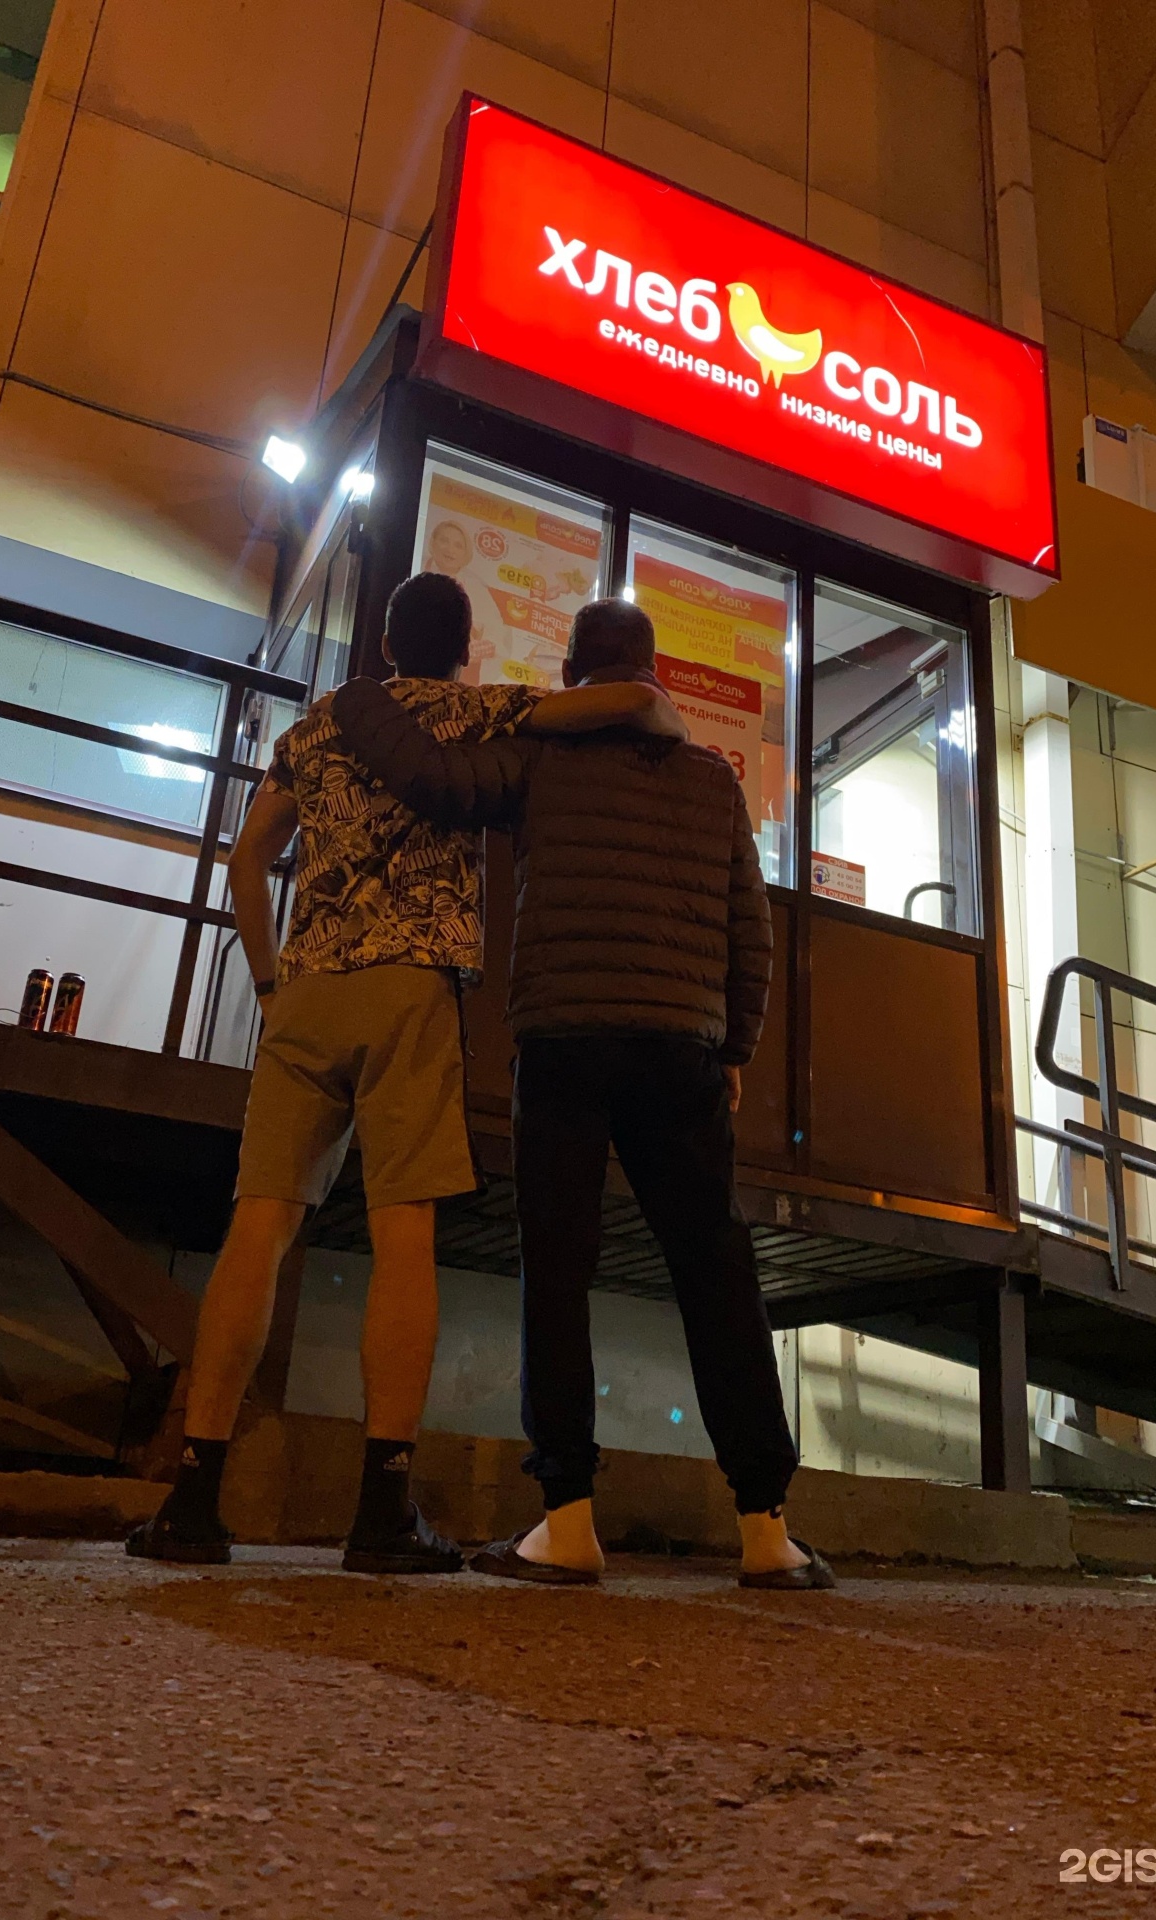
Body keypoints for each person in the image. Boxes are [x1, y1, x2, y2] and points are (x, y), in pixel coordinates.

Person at [126, 572, 685, 1572]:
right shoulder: (472, 711)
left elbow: (249, 859)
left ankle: (193, 1500)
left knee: (259, 1226)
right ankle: (381, 1510)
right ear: (463, 648)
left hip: (307, 991)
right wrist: (651, 701)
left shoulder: (315, 727)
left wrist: (269, 979)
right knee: (404, 1233)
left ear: (384, 644)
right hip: (411, 990)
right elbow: (617, 705)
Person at [331, 598, 834, 1590]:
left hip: (564, 1039)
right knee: (715, 1271)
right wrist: (732, 1045)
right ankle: (766, 1529)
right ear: (653, 675)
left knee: (557, 1273)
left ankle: (565, 1522)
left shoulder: (539, 758)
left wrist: (361, 700)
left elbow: (436, 780)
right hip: (680, 1049)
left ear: (571, 678)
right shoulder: (713, 781)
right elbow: (752, 929)